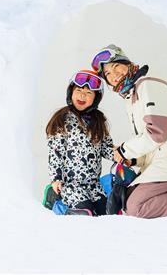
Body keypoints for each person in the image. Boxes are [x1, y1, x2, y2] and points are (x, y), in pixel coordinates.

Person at [91, 44, 167, 219]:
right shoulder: (132, 95)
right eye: (107, 74)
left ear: (128, 64)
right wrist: (132, 159)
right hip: (166, 159)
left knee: (136, 207)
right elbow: (151, 143)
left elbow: (158, 132)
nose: (114, 75)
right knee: (128, 198)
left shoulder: (148, 83)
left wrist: (123, 150)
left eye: (116, 66)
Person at [45, 69, 115, 216]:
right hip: (71, 185)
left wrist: (122, 155)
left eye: (89, 93)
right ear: (71, 92)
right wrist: (56, 179)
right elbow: (56, 152)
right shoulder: (63, 119)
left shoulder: (98, 121)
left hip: (94, 186)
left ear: (96, 98)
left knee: (107, 215)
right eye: (78, 90)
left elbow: (106, 148)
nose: (82, 95)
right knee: (85, 214)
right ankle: (53, 198)